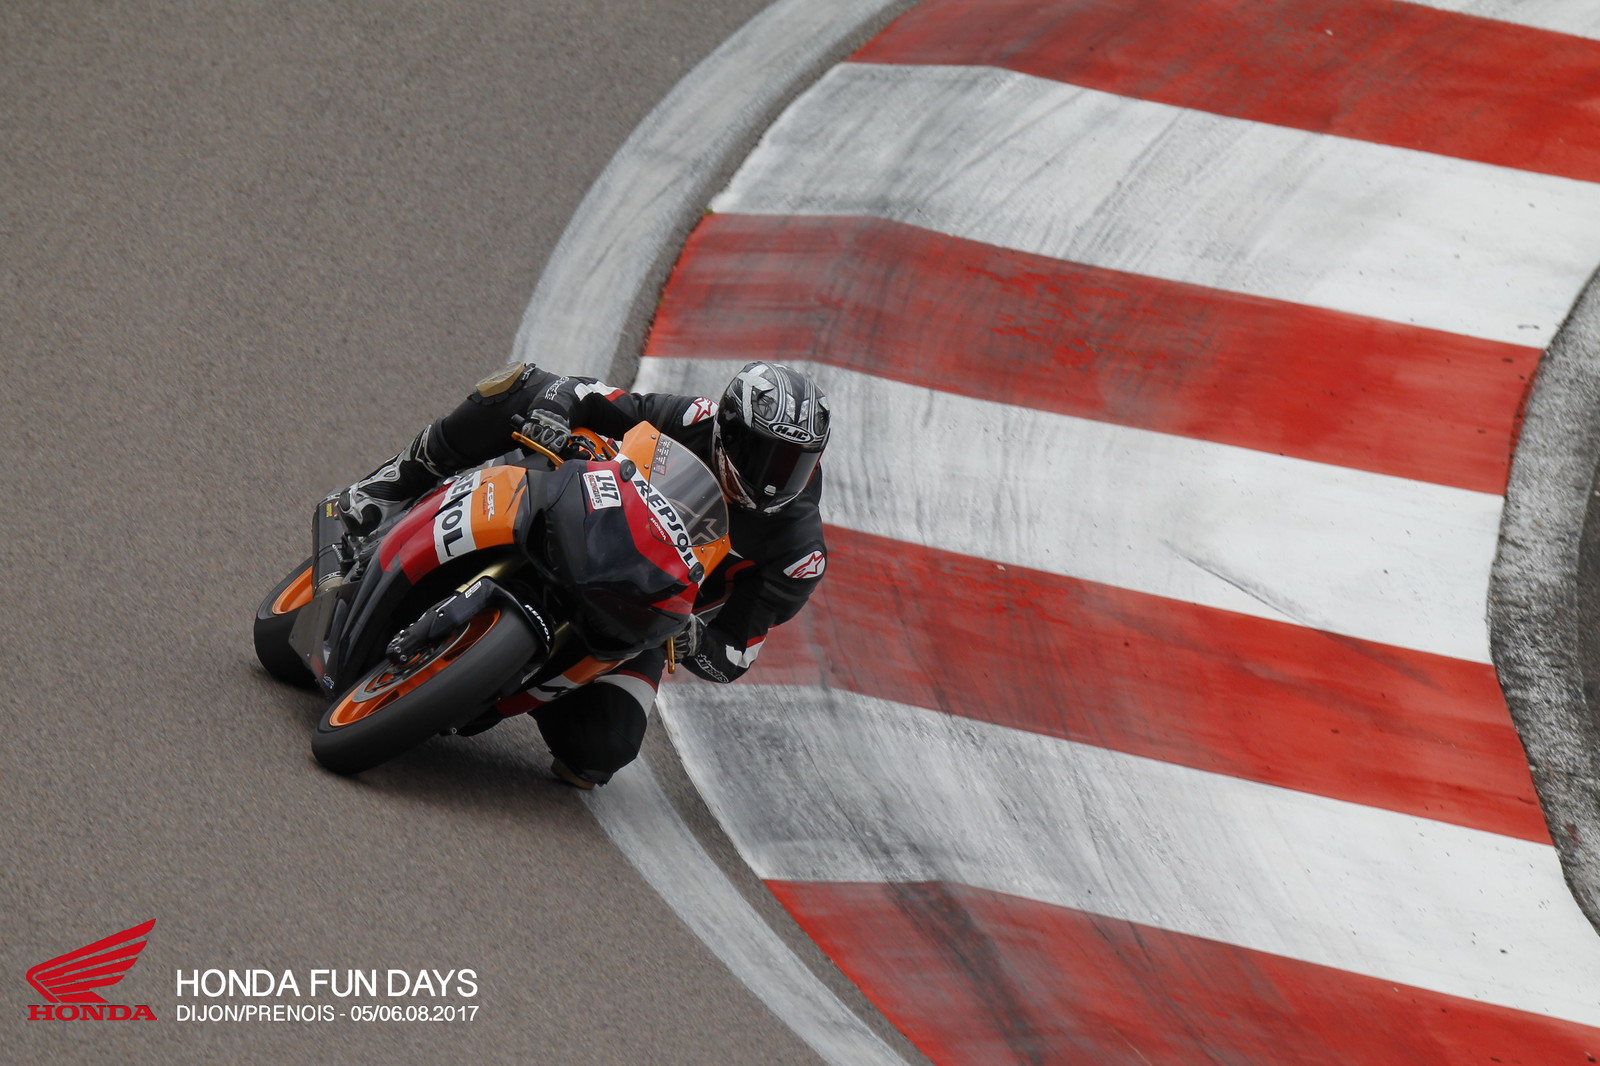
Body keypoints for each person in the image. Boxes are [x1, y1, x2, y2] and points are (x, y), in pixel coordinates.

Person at [338, 360, 831, 788]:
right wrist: (555, 413)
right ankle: (389, 487)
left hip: (644, 616)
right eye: (764, 454)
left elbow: (736, 653)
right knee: (524, 385)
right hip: (596, 522)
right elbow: (587, 394)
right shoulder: (696, 420)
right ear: (729, 428)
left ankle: (504, 678)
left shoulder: (798, 552)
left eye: (795, 463)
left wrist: (696, 640)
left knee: (600, 752)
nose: (773, 479)